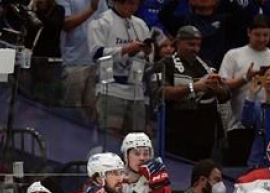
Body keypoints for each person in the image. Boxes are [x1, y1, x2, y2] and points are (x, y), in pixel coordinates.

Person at [219, 15, 270, 166]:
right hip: (240, 126)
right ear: (249, 32)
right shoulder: (233, 55)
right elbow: (223, 85)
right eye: (257, 35)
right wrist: (245, 77)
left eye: (265, 35)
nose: (262, 39)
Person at [160, 25, 230, 161]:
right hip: (177, 133)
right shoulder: (166, 64)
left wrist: (217, 88)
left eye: (198, 45)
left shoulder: (206, 65)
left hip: (205, 134)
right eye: (191, 44)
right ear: (178, 42)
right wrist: (193, 87)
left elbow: (226, 95)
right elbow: (162, 92)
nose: (195, 49)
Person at [88, 0, 153, 135]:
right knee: (110, 136)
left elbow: (149, 58)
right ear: (117, 2)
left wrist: (146, 53)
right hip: (111, 89)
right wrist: (125, 50)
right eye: (130, 3)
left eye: (136, 4)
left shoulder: (140, 24)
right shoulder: (102, 21)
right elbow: (96, 54)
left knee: (135, 138)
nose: (133, 8)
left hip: (136, 90)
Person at [56, 0, 108, 120]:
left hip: (96, 63)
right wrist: (91, 9)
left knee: (92, 113)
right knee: (71, 111)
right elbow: (65, 23)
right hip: (74, 62)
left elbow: (107, 22)